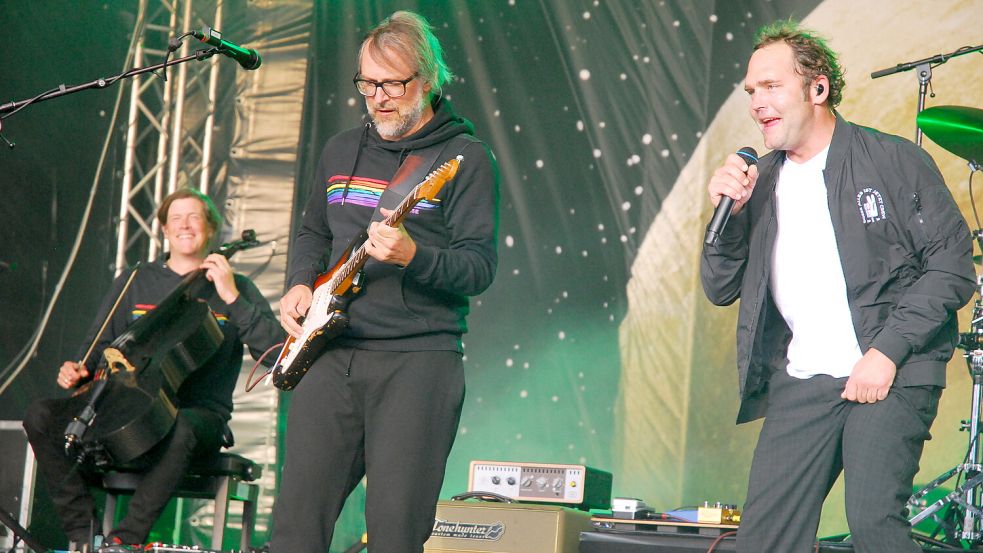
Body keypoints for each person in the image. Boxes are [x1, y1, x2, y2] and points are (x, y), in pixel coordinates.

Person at [700, 20, 975, 553]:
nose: (757, 102)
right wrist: (728, 216)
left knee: (873, 524)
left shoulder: (892, 161)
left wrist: (885, 352)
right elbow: (720, 288)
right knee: (762, 540)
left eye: (772, 86)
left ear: (817, 88)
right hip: (804, 380)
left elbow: (952, 266)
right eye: (751, 92)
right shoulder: (761, 185)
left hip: (888, 372)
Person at [270, 10, 498, 553]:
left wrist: (414, 255)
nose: (378, 97)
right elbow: (312, 231)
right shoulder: (339, 149)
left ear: (428, 79)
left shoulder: (463, 159)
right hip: (329, 353)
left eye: (392, 84)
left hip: (416, 363)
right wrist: (302, 282)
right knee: (295, 527)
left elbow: (478, 268)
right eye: (367, 83)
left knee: (395, 532)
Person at [23, 188, 283, 553]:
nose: (185, 226)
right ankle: (83, 532)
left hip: (198, 418)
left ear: (211, 228)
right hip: (125, 413)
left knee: (184, 424)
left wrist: (231, 298)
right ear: (163, 229)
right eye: (176, 219)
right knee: (41, 416)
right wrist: (79, 371)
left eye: (194, 217)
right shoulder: (135, 280)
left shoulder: (236, 286)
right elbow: (98, 350)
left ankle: (123, 542)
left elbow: (275, 354)